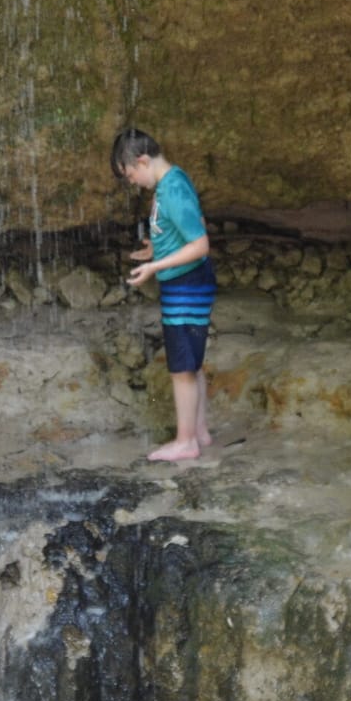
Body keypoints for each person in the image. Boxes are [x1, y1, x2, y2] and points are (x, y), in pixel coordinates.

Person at [112, 128, 215, 462]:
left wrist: (156, 267)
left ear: (142, 161)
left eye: (130, 175)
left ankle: (186, 441)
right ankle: (199, 431)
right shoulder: (173, 183)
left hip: (187, 286)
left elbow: (199, 244)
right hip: (187, 284)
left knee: (181, 367)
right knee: (192, 364)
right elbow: (188, 225)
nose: (132, 182)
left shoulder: (172, 189)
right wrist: (155, 249)